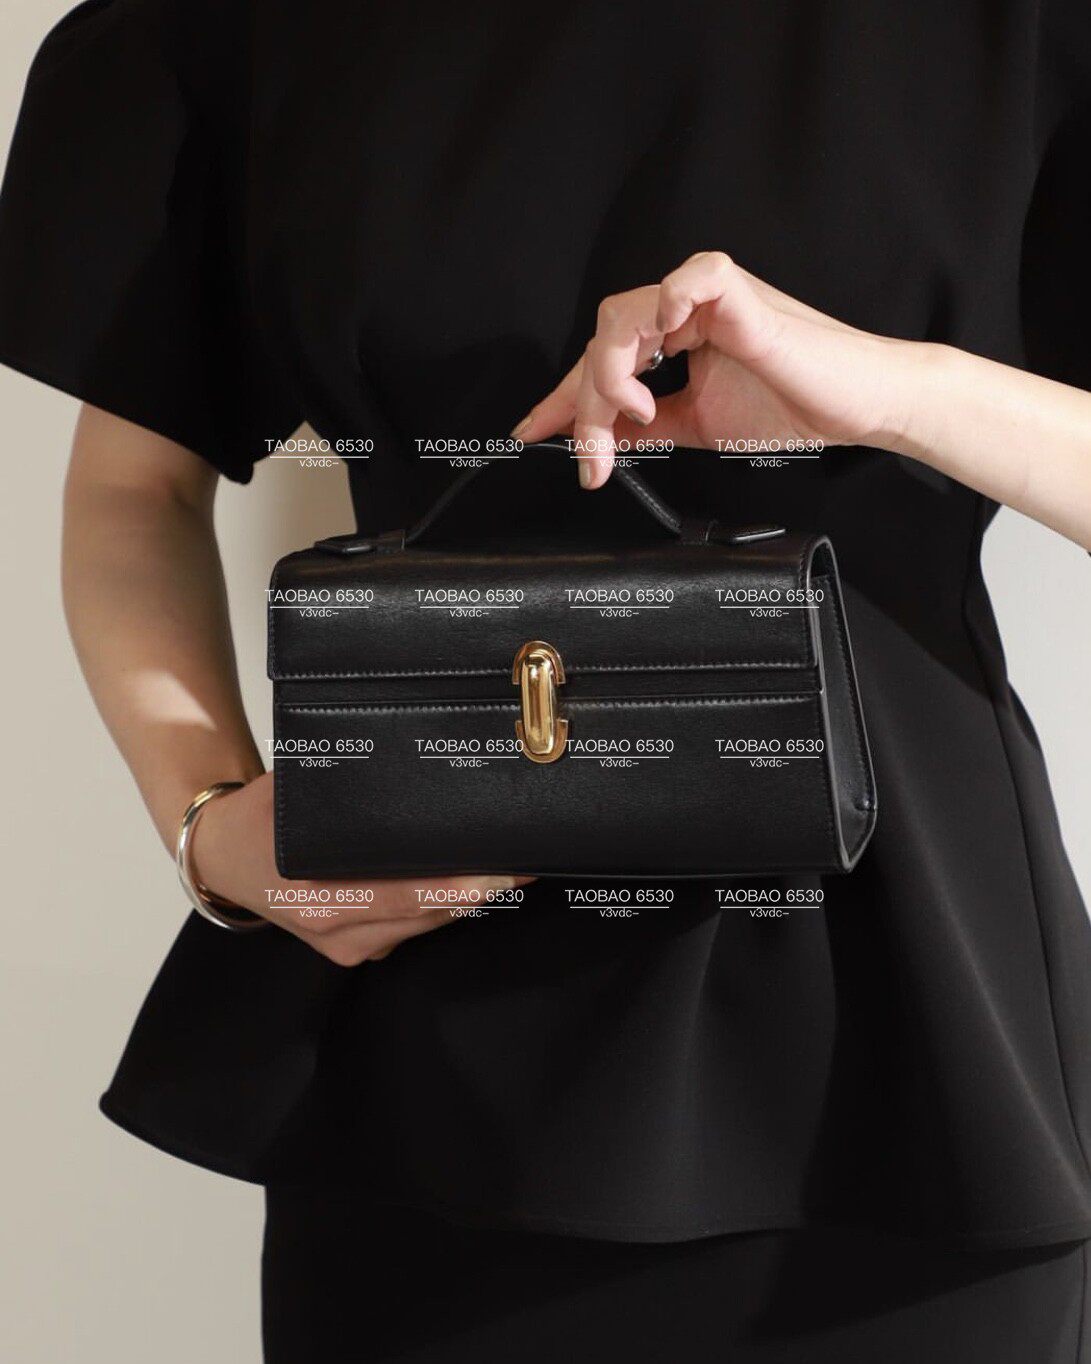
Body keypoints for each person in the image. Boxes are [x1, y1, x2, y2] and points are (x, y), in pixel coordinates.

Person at [1, 2, 1090, 1360]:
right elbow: (133, 492)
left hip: (917, 1053)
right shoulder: (238, 29)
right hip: (432, 1058)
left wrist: (890, 392)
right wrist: (209, 822)